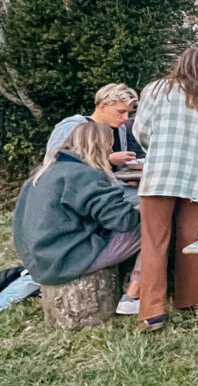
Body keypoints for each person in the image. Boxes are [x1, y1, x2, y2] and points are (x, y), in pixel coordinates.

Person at [132, 48, 198, 333]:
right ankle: (193, 299)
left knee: (154, 241)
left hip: (162, 174)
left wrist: (156, 150)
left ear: (179, 64)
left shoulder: (157, 90)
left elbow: (140, 130)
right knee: (192, 240)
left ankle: (152, 312)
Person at [13, 123, 142, 315]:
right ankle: (134, 295)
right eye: (109, 147)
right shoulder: (84, 175)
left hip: (40, 261)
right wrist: (143, 208)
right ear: (99, 146)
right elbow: (124, 221)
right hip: (66, 261)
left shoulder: (44, 172)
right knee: (155, 225)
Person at [45, 83, 139, 165]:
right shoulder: (72, 126)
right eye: (121, 112)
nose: (126, 118)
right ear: (102, 106)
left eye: (128, 113)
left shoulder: (121, 129)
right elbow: (54, 162)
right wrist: (108, 160)